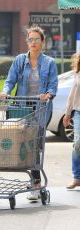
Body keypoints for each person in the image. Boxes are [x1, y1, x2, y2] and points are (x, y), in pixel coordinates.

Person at [0, 25, 58, 200]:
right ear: (27, 41)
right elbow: (10, 81)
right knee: (23, 144)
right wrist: (5, 92)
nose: (33, 42)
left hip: (40, 108)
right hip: (22, 108)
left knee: (34, 145)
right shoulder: (19, 60)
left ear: (42, 42)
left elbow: (53, 85)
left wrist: (48, 94)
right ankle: (35, 183)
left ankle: (35, 184)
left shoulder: (49, 63)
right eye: (30, 39)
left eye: (37, 39)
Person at [63, 52, 80, 189]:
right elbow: (72, 94)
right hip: (79, 112)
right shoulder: (78, 72)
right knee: (77, 144)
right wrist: (67, 113)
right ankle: (77, 177)